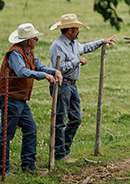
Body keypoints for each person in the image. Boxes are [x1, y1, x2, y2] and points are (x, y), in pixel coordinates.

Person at [47, 13, 117, 162]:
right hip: (61, 85)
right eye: (77, 29)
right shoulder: (57, 46)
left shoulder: (73, 44)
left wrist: (102, 42)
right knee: (60, 119)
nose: (79, 31)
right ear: (70, 30)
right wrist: (76, 60)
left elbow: (85, 47)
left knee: (76, 118)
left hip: (71, 85)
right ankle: (59, 154)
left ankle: (63, 150)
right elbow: (59, 68)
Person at [0, 23, 62, 175]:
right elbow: (21, 71)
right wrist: (44, 76)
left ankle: (28, 165)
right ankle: (3, 170)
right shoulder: (15, 54)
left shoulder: (29, 53)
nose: (36, 41)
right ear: (28, 41)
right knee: (7, 133)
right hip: (9, 97)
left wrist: (54, 71)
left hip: (19, 98)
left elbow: (39, 66)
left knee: (30, 128)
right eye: (35, 39)